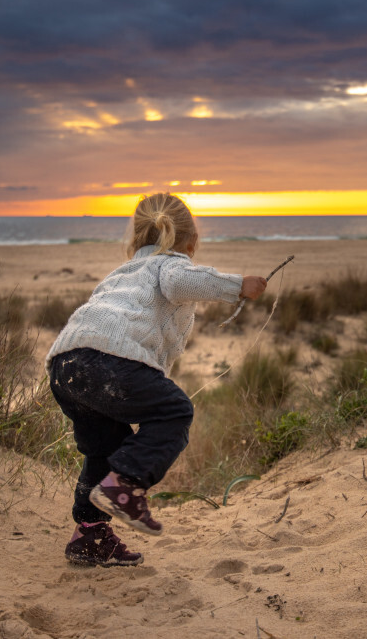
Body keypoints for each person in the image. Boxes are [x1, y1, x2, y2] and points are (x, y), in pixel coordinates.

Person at [47, 193, 267, 567]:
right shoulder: (169, 264)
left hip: (65, 365)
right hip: (107, 359)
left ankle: (89, 535)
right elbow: (181, 281)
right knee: (174, 412)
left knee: (105, 448)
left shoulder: (121, 273)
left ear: (136, 239)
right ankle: (126, 487)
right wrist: (237, 286)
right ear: (191, 243)